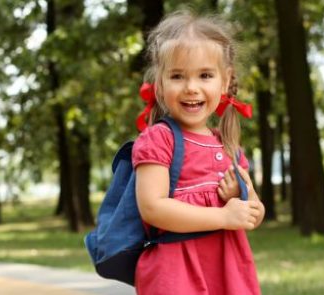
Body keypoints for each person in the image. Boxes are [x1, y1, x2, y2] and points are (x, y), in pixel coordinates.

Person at [132, 10, 265, 295]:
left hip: (227, 272)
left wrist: (243, 198)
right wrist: (224, 217)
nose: (191, 88)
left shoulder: (229, 147)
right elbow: (152, 208)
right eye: (177, 76)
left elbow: (254, 214)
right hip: (175, 275)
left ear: (226, 80)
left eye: (205, 75)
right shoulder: (159, 139)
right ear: (160, 83)